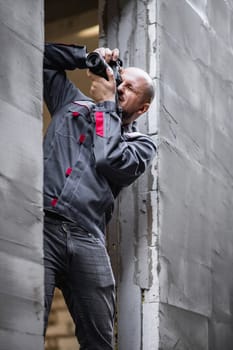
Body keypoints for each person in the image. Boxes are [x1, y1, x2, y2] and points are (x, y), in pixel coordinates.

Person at [43, 42, 156, 350]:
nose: (120, 88)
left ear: (143, 107)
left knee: (99, 341)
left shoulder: (142, 145)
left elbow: (109, 159)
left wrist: (106, 105)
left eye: (130, 88)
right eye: (120, 79)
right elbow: (38, 54)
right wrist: (84, 57)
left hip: (88, 238)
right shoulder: (71, 103)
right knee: (24, 320)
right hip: (43, 228)